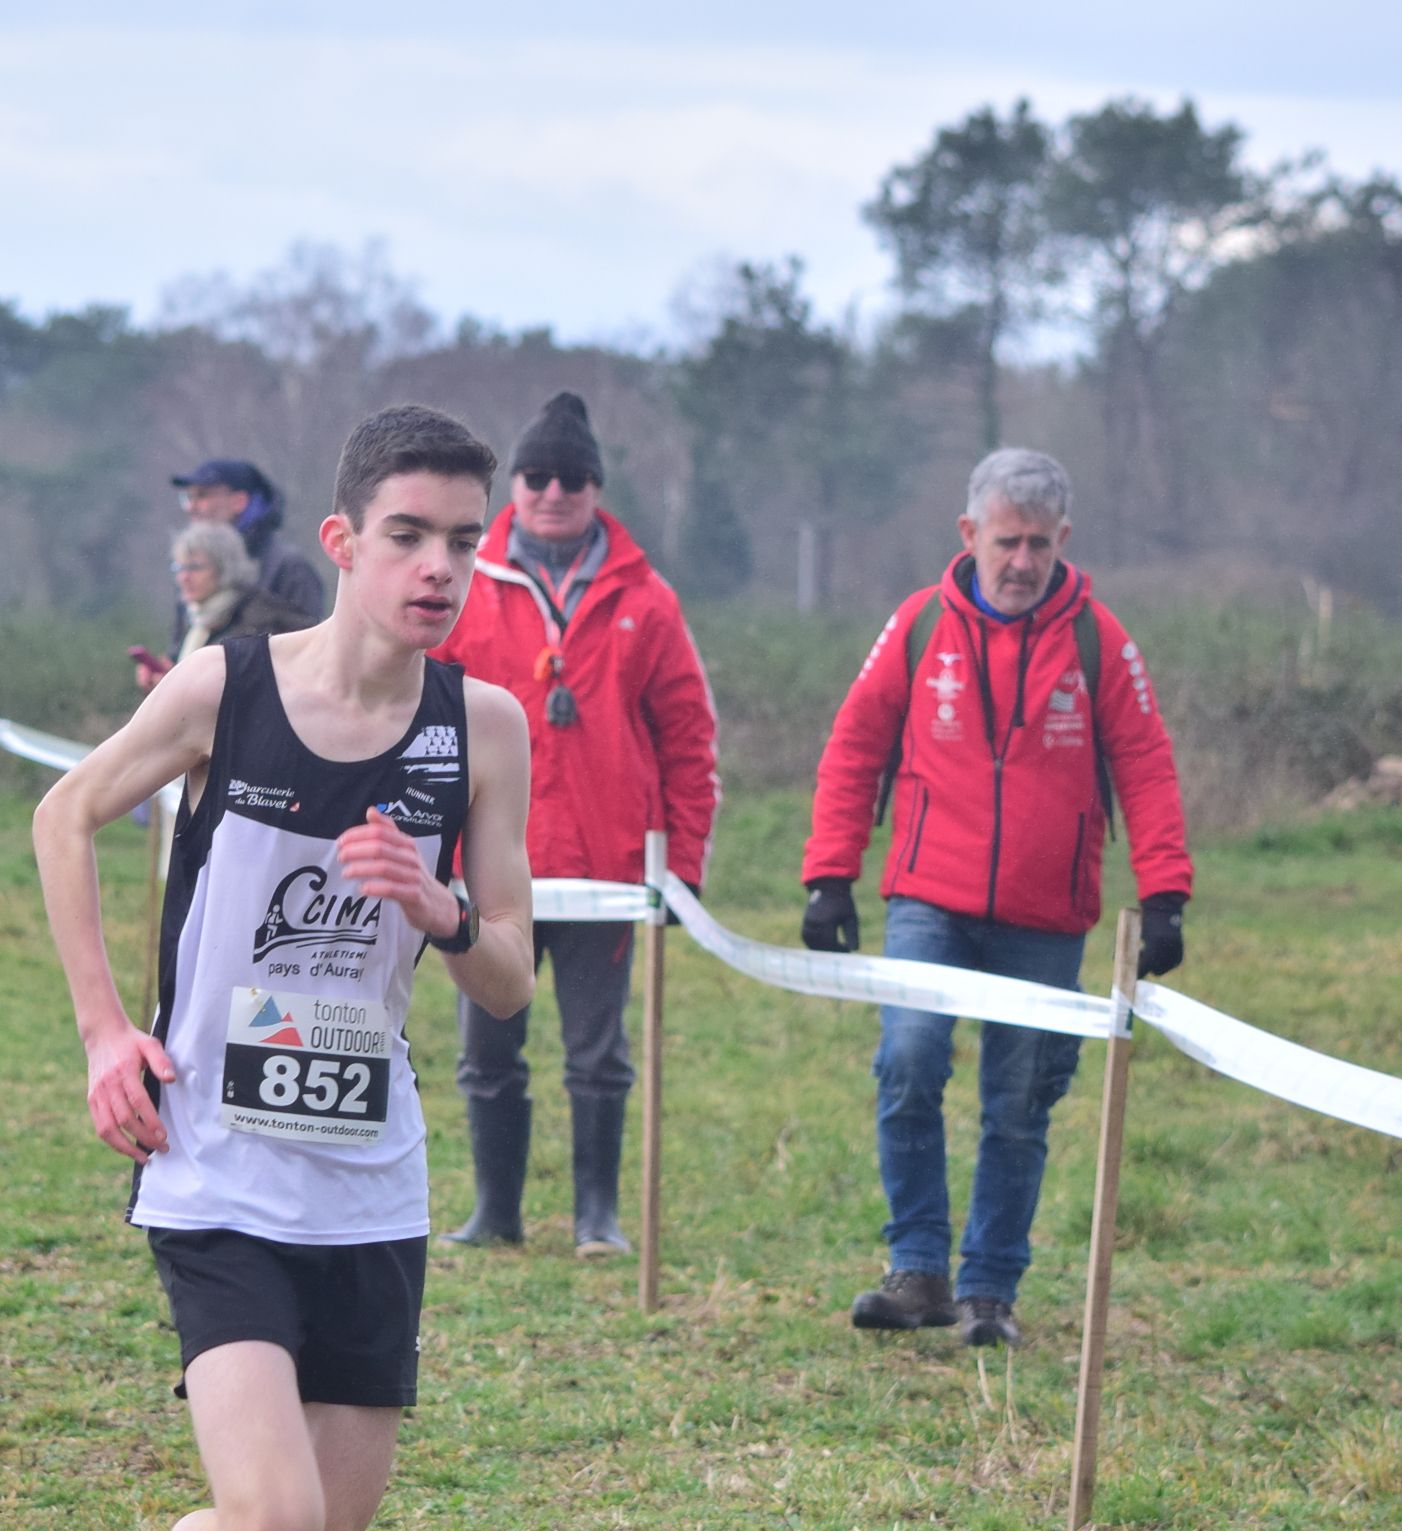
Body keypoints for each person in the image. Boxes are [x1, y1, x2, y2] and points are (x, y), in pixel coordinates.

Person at [20, 406, 533, 1531]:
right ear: (343, 542)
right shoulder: (228, 689)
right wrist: (105, 1031)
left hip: (368, 1186)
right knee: (267, 1522)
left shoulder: (483, 727)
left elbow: (510, 977)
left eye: (465, 542)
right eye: (411, 537)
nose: (440, 568)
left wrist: (441, 906)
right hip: (217, 1172)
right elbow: (63, 814)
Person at [800, 448, 1191, 1348]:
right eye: (1007, 541)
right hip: (927, 902)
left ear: (1064, 540)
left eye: (1039, 545)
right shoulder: (917, 625)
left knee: (1019, 1102)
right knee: (908, 1063)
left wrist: (1165, 891)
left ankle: (988, 1291)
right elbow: (856, 745)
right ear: (970, 533)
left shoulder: (1101, 641)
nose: (1022, 561)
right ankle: (916, 1269)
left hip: (1046, 918)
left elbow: (1146, 763)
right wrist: (829, 875)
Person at [436, 390, 720, 1256]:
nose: (553, 492)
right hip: (492, 866)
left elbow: (688, 739)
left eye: (572, 477)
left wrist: (684, 869)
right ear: (514, 487)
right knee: (488, 1049)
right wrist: (429, 851)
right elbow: (424, 724)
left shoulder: (648, 599)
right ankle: (496, 1212)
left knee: (599, 1055)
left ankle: (599, 1216)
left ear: (596, 488)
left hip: (608, 869)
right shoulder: (462, 587)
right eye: (536, 476)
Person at [128, 458, 328, 686]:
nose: (191, 507)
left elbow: (309, 659)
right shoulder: (189, 572)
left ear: (239, 502)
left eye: (202, 496)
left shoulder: (290, 567)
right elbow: (181, 647)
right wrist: (168, 680)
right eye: (187, 497)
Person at [134, 521, 312, 691]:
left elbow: (241, 693)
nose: (184, 577)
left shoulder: (257, 620)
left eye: (194, 567)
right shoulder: (198, 619)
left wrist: (175, 690)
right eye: (179, 568)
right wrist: (166, 682)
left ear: (224, 568)